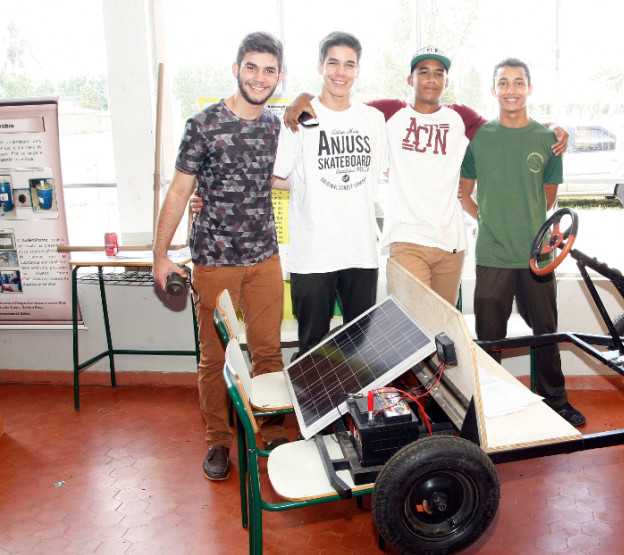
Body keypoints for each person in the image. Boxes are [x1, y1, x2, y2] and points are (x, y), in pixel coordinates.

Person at [283, 47, 567, 306]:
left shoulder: (461, 116)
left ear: (446, 81)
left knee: (442, 332)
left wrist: (549, 127)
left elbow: (505, 126)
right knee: (411, 328)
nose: (431, 79)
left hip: (450, 245)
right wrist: (302, 97)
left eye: (439, 74)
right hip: (407, 240)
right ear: (410, 79)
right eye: (424, 72)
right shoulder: (388, 112)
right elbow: (339, 101)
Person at [152, 32, 289, 481]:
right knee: (216, 359)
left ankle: (270, 432)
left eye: (269, 70)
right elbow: (178, 190)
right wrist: (159, 256)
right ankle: (218, 441)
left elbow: (278, 178)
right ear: (236, 69)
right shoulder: (203, 124)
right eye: (252, 67)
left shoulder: (276, 126)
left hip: (265, 257)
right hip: (213, 261)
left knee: (268, 352)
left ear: (279, 77)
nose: (259, 77)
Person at [459, 58, 585, 427]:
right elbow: (465, 194)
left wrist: (526, 224)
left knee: (547, 332)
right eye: (503, 83)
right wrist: (489, 219)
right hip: (493, 255)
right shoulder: (479, 137)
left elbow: (548, 197)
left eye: (518, 83)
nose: (510, 90)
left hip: (538, 257)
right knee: (488, 339)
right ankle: (487, 407)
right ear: (494, 89)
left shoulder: (548, 140)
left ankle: (556, 400)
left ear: (530, 89)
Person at [272, 31, 388, 360]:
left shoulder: (374, 120)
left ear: (358, 69)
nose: (341, 71)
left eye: (349, 64)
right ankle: (315, 411)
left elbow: (389, 173)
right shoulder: (300, 118)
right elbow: (280, 177)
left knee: (360, 349)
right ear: (320, 66)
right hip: (313, 255)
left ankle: (352, 413)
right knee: (311, 348)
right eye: (333, 62)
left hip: (361, 251)